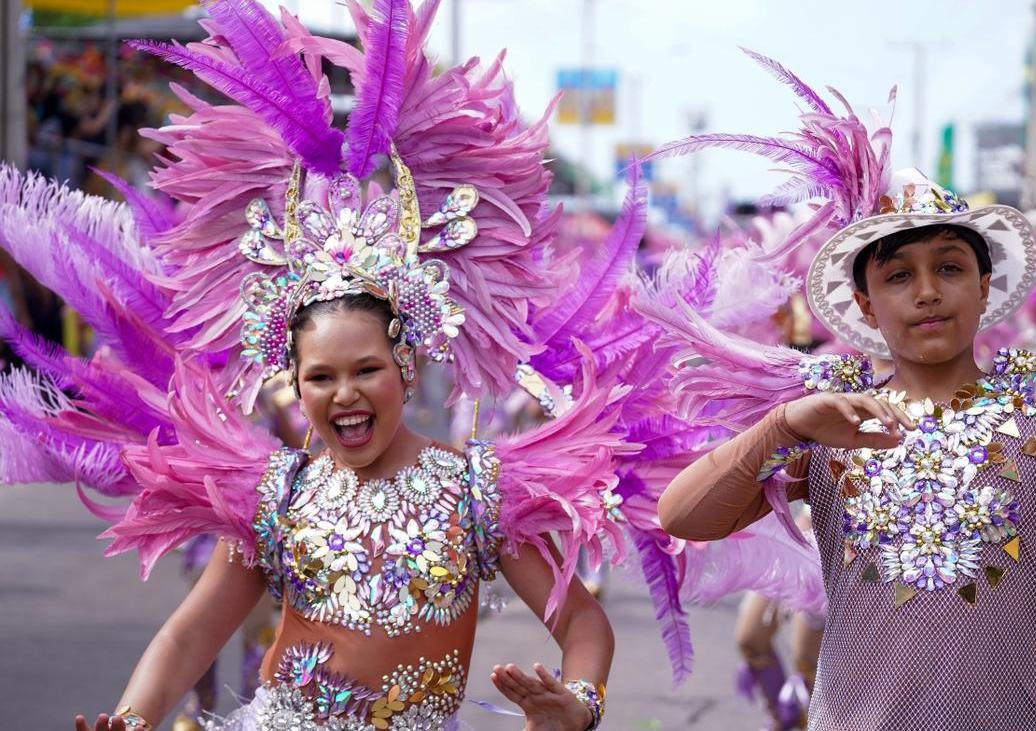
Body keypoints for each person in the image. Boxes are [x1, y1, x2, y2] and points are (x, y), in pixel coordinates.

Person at [0, 3, 647, 729]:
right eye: (320, 377)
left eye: (366, 369)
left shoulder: (478, 493)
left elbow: (584, 625)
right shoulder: (276, 495)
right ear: (293, 380)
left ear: (407, 362)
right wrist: (134, 716)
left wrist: (579, 703)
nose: (345, 394)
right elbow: (189, 633)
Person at [640, 51, 1036, 730]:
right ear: (862, 303)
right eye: (896, 276)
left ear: (983, 287)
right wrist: (782, 428)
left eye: (948, 267)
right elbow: (681, 517)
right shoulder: (831, 419)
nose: (925, 291)